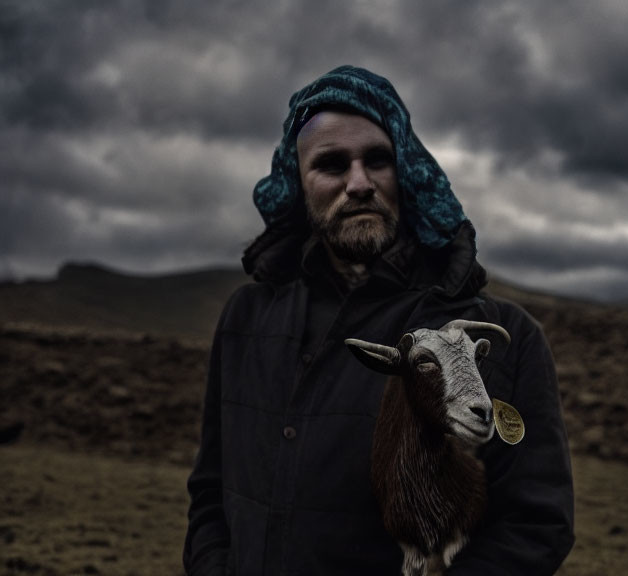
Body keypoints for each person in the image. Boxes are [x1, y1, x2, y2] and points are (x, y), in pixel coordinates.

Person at [183, 65, 574, 575]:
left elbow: (534, 526)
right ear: (299, 185)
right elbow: (212, 492)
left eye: (378, 160)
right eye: (331, 164)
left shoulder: (505, 338)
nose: (359, 183)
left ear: (408, 170)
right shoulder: (247, 317)